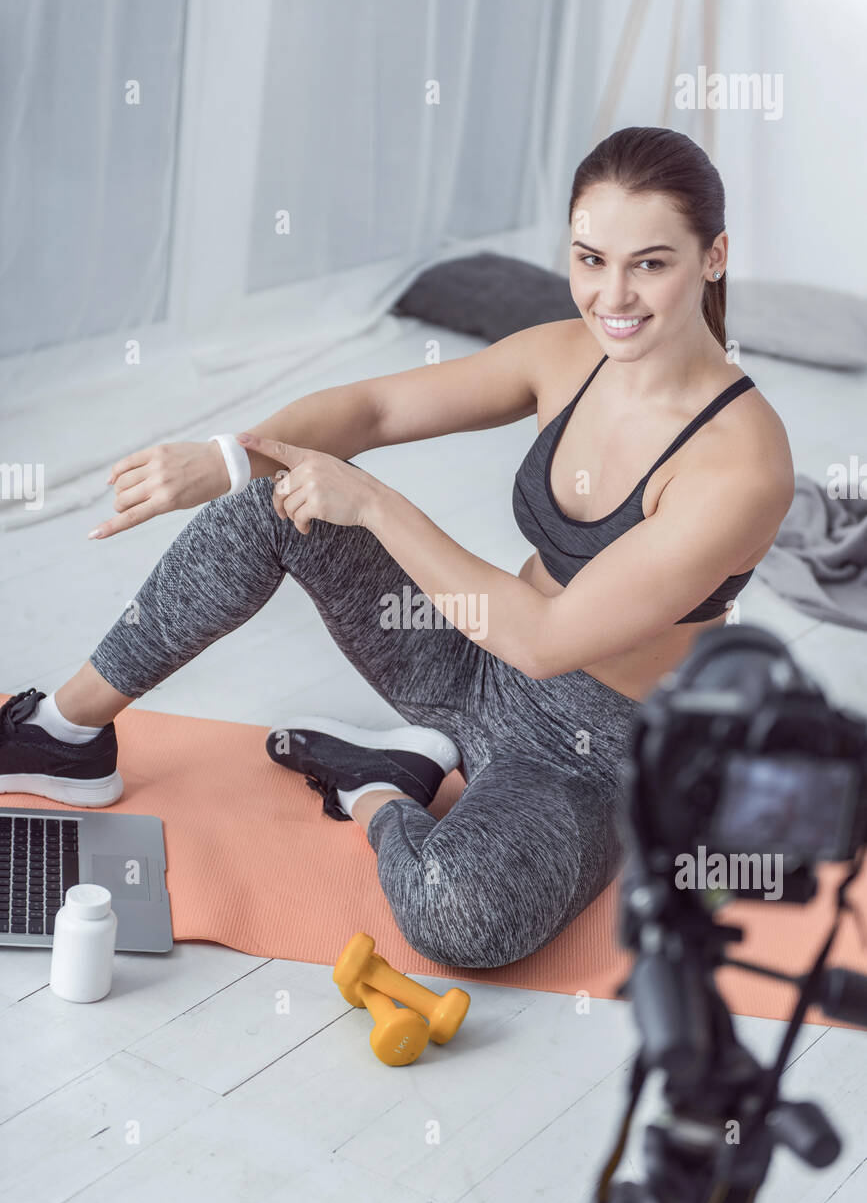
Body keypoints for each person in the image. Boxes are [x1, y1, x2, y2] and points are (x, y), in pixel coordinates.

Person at [0, 127, 794, 970]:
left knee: (459, 922)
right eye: (590, 259)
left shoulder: (739, 466)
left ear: (713, 258)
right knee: (275, 502)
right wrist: (230, 457)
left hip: (588, 756)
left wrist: (374, 501)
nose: (612, 296)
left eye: (650, 263)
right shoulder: (568, 355)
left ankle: (374, 783)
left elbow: (544, 640)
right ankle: (65, 733)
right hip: (466, 666)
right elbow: (376, 409)